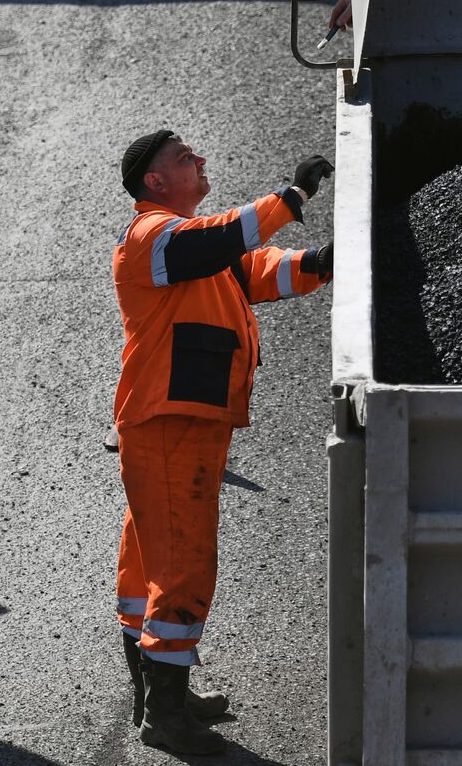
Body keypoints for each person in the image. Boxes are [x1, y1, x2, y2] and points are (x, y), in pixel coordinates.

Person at [112, 131, 335, 754]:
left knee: (153, 560)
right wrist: (290, 197)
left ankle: (164, 697)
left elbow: (254, 269)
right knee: (182, 562)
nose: (200, 162)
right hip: (168, 426)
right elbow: (221, 241)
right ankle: (165, 716)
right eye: (185, 159)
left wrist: (320, 262)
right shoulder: (151, 237)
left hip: (176, 423)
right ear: (155, 182)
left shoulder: (183, 248)